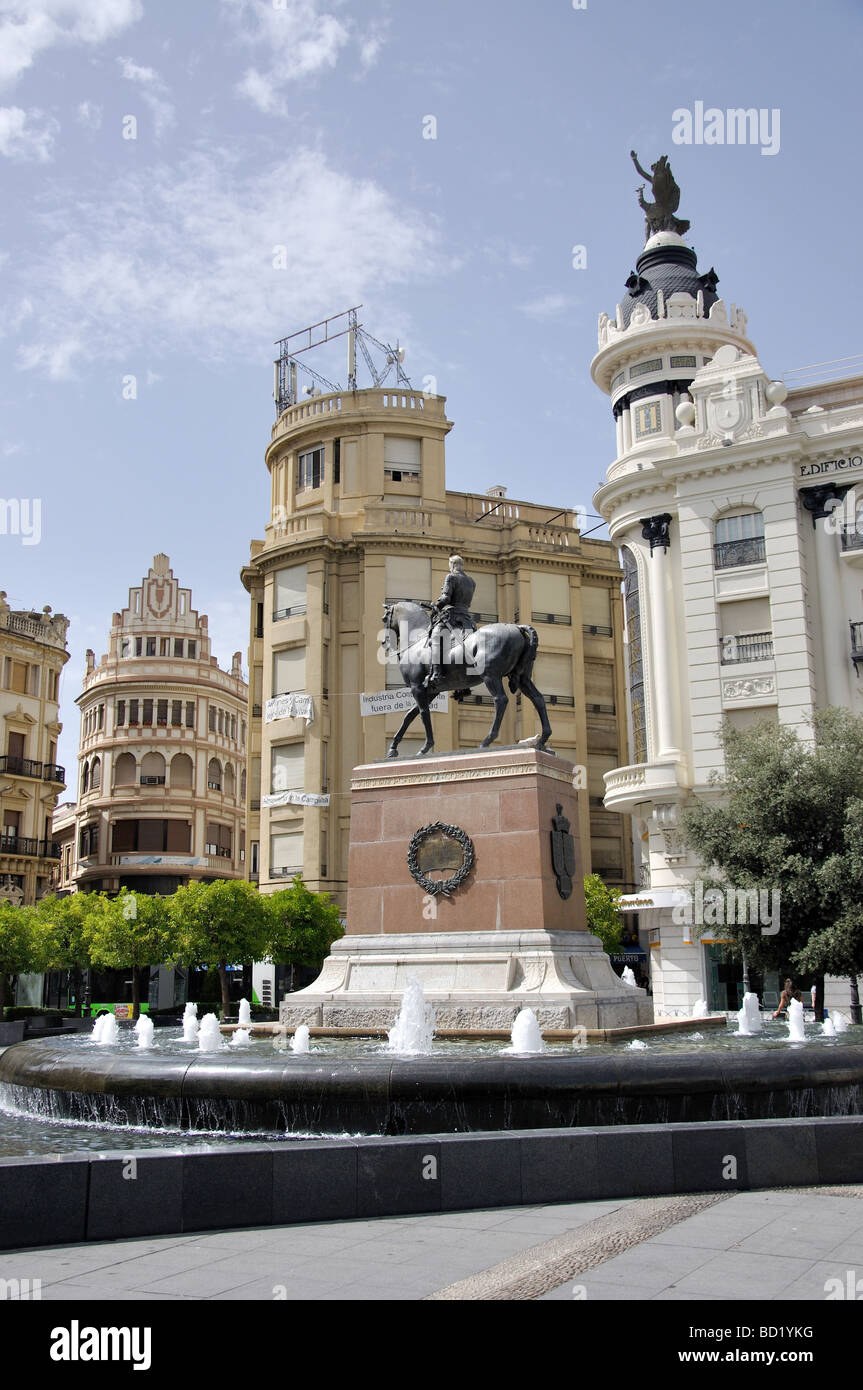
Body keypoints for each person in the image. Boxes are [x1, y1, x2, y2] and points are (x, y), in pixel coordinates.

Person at [422, 556, 476, 690]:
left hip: (452, 617)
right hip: (467, 620)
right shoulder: (471, 581)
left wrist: (436, 605)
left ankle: (437, 673)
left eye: (449, 565)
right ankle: (466, 686)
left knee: (435, 636)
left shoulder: (451, 577)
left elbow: (446, 597)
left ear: (452, 565)